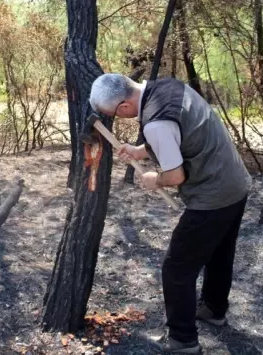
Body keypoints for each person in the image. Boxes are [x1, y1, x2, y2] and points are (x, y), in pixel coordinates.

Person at [89, 73, 251, 354]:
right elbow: (179, 133)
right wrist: (139, 151)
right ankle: (214, 309)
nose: (117, 118)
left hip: (213, 195)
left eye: (112, 114)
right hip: (235, 182)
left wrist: (156, 179)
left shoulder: (156, 123)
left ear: (124, 106)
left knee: (176, 269)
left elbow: (175, 175)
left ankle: (183, 341)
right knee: (219, 253)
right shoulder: (166, 87)